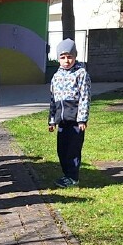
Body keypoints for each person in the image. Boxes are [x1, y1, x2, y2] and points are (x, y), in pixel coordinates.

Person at [48, 38, 90, 187]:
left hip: (75, 120)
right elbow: (53, 99)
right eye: (63, 57)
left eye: (70, 57)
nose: (66, 61)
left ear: (75, 56)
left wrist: (82, 119)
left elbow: (85, 97)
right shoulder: (56, 76)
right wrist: (52, 120)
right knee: (62, 149)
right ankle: (66, 174)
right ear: (58, 58)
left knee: (73, 149)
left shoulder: (81, 73)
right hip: (62, 120)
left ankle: (73, 177)